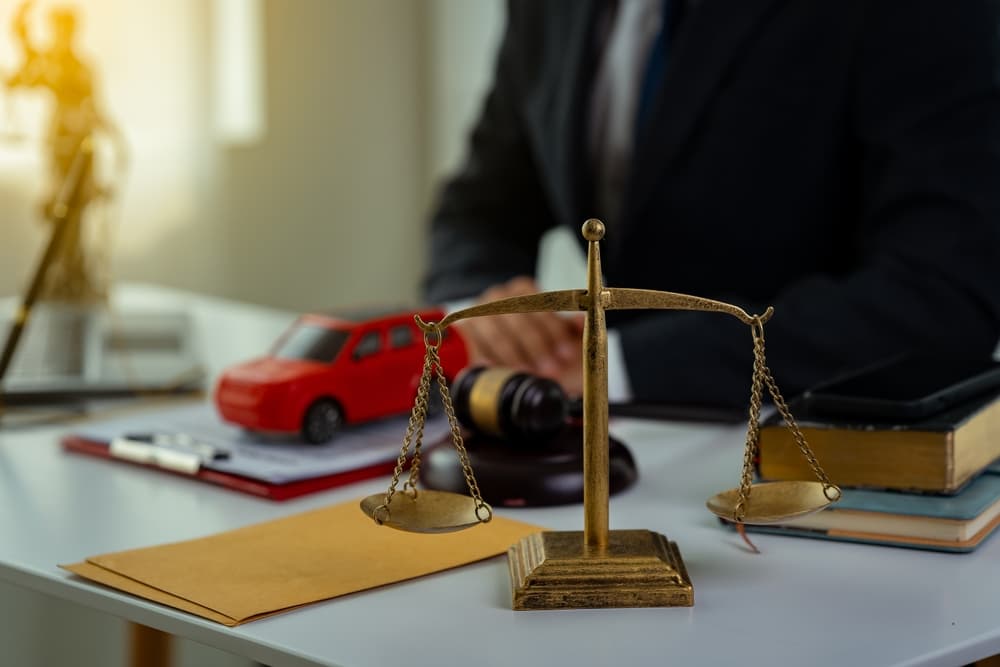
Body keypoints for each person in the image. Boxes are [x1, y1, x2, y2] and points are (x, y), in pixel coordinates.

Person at [423, 0, 1000, 409]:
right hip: (598, 442)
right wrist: (488, 311)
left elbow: (943, 293)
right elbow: (481, 207)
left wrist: (618, 366)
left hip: (817, 463)